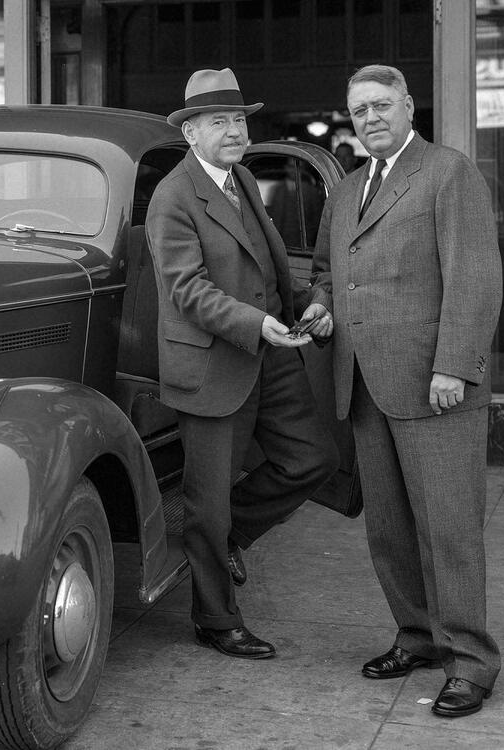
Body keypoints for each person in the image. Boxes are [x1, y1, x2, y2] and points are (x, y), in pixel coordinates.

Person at [311, 64, 502, 717]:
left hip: (434, 384)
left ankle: (472, 662)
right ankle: (418, 636)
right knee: (389, 531)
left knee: (449, 530)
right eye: (359, 108)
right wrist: (321, 308)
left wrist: (456, 365)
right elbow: (325, 273)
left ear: (409, 106)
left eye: (382, 105)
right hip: (365, 383)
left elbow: (475, 277)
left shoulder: (448, 174)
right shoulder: (344, 192)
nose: (370, 117)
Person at [146, 68, 339, 659]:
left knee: (313, 459)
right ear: (191, 133)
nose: (234, 132)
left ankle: (233, 537)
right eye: (218, 122)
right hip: (214, 364)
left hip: (272, 351)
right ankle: (215, 619)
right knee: (207, 501)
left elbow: (273, 264)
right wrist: (256, 324)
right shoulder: (173, 196)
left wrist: (309, 304)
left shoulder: (244, 179)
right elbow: (187, 289)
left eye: (239, 120)